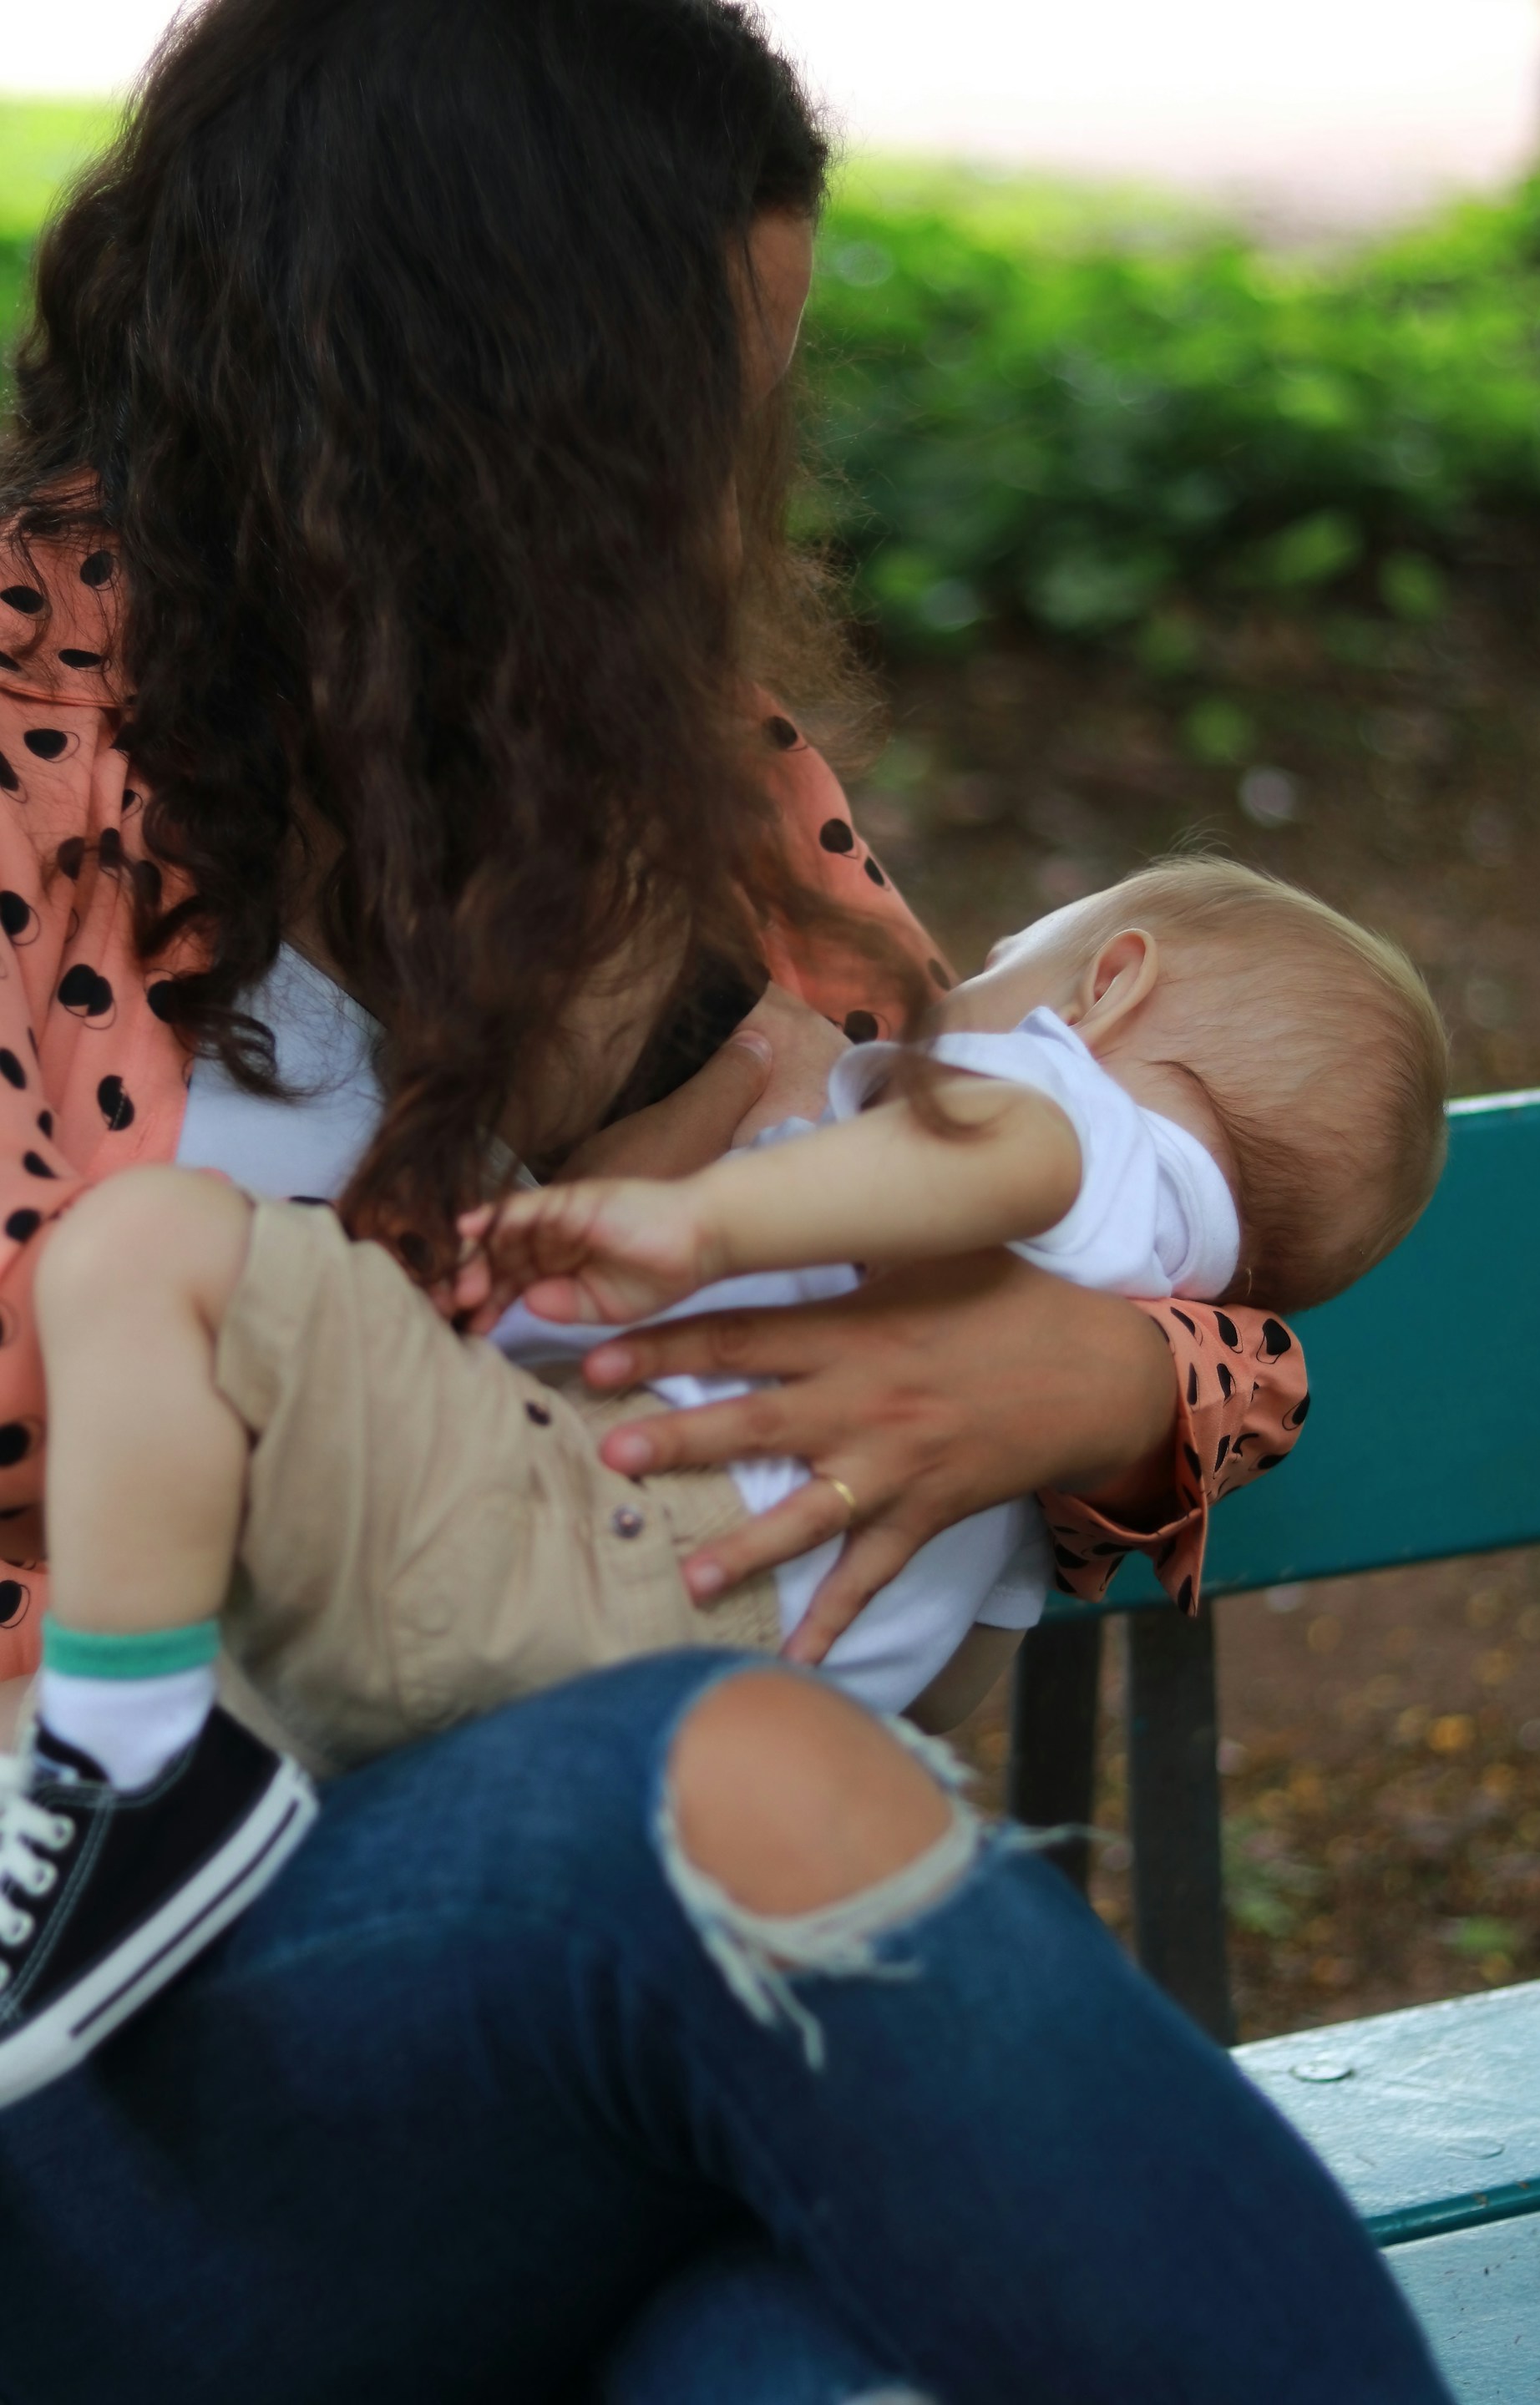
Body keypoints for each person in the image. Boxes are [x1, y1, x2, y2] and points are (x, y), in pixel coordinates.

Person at [0, 1, 1453, 2394]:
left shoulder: (696, 800)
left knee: (802, 2358)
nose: (719, 512)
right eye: (678, 415)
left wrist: (1106, 1376)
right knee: (754, 1798)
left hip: (558, 2038)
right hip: (105, 2040)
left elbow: (1072, 1153)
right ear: (433, 390)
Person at [0, 856, 1449, 2104]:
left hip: (591, 1538)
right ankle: (130, 1802)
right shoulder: (1079, 1326)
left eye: (1017, 956)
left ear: (1109, 982)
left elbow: (1006, 1154)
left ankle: (123, 1795)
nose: (969, 985)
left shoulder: (1080, 1123)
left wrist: (700, 1221)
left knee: (150, 1252)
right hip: (685, 1698)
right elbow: (950, 1690)